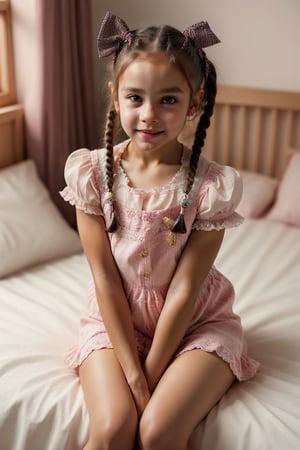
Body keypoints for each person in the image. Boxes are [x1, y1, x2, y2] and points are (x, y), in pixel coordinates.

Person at [60, 11, 259, 450]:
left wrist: (151, 376)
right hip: (115, 322)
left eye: (168, 100)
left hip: (194, 325)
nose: (149, 115)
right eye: (135, 98)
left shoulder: (210, 187)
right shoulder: (92, 174)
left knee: (156, 431)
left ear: (193, 104)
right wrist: (133, 373)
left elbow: (186, 291)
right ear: (116, 97)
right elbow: (106, 279)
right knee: (113, 428)